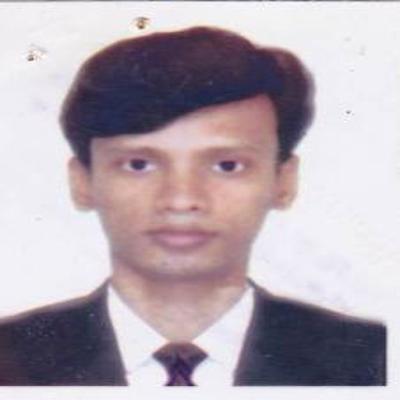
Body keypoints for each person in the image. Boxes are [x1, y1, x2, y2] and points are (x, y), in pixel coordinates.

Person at [0, 26, 385, 386]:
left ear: (283, 182)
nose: (181, 200)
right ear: (82, 181)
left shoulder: (372, 360)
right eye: (139, 164)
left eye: (227, 166)